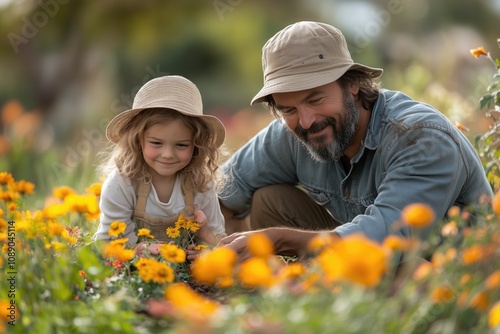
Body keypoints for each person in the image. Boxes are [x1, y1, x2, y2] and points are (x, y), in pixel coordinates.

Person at [218, 21, 493, 262]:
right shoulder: (296, 132)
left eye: (315, 99)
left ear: (352, 84)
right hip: (363, 261)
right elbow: (220, 191)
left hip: (452, 275)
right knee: (270, 200)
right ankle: (306, 294)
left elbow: (389, 237)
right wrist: (211, 250)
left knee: (406, 272)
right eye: (287, 109)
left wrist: (278, 239)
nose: (305, 121)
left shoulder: (420, 137)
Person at [93, 75, 227, 259]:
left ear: (197, 145)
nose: (167, 154)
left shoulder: (201, 183)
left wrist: (204, 239)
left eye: (181, 145)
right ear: (137, 140)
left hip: (186, 276)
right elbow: (107, 244)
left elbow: (219, 242)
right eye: (156, 143)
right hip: (134, 275)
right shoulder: (122, 184)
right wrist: (137, 251)